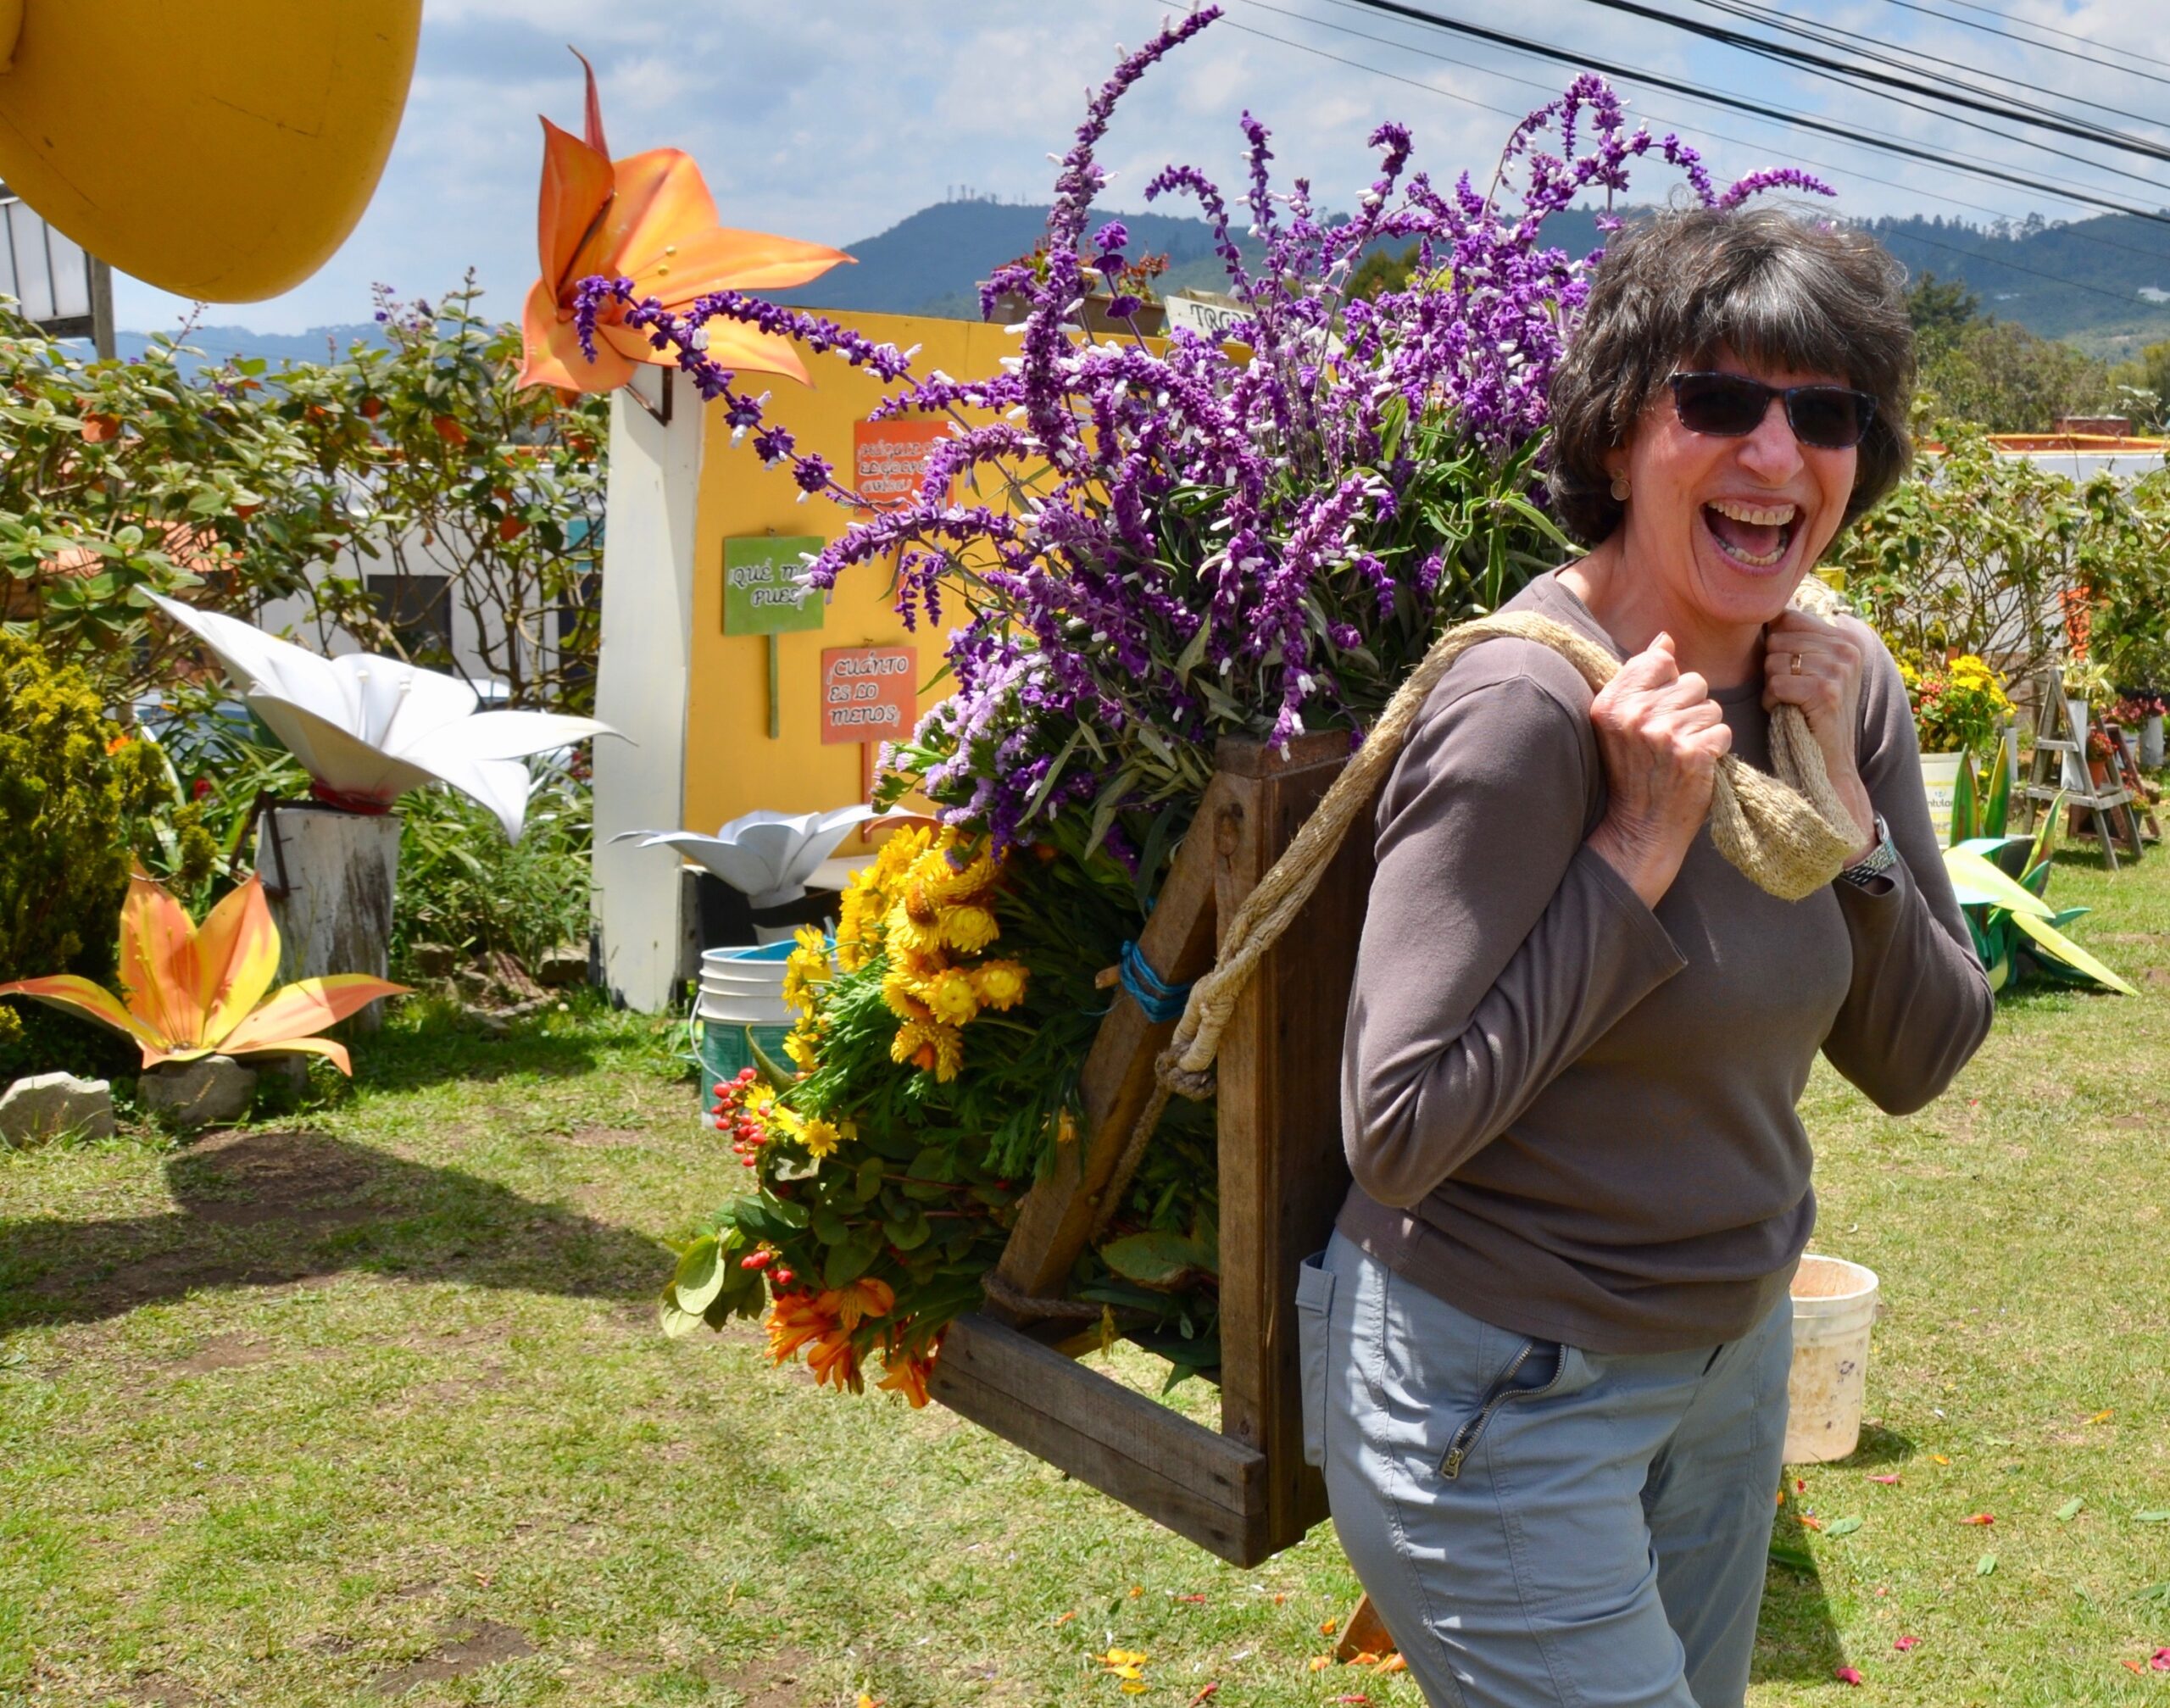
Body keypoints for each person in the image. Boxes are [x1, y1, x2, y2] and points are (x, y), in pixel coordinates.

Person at [1298, 206, 1995, 1708]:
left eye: (1826, 415)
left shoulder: (1836, 689)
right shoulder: (1524, 709)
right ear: (1619, 437)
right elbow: (1398, 1132)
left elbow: (1925, 1055)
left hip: (1728, 1368)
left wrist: (1855, 830)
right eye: (1720, 402)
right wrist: (1635, 851)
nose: (1773, 455)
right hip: (1495, 1392)